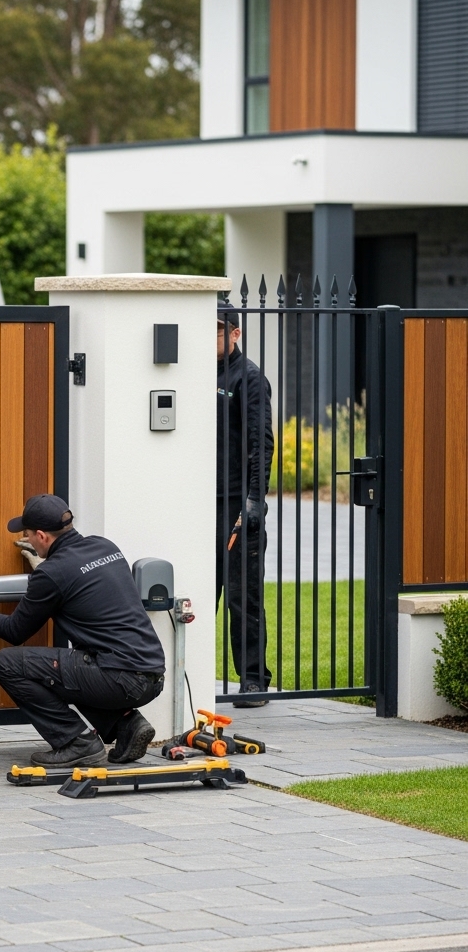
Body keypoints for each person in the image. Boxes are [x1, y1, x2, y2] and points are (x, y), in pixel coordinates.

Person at [0, 494, 165, 766]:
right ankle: (126, 726)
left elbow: (14, 631)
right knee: (78, 664)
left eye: (28, 534)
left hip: (119, 679)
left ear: (42, 536)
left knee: (8, 663)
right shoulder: (105, 546)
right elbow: (83, 582)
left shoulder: (53, 573)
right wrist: (47, 568)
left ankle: (76, 741)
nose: (28, 539)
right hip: (151, 675)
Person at [217, 300, 274, 706]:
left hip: (236, 503)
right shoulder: (190, 371)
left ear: (235, 333)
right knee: (197, 594)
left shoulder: (250, 378)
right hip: (198, 501)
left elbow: (261, 443)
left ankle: (254, 680)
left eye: (218, 330)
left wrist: (254, 500)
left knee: (243, 595)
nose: (211, 337)